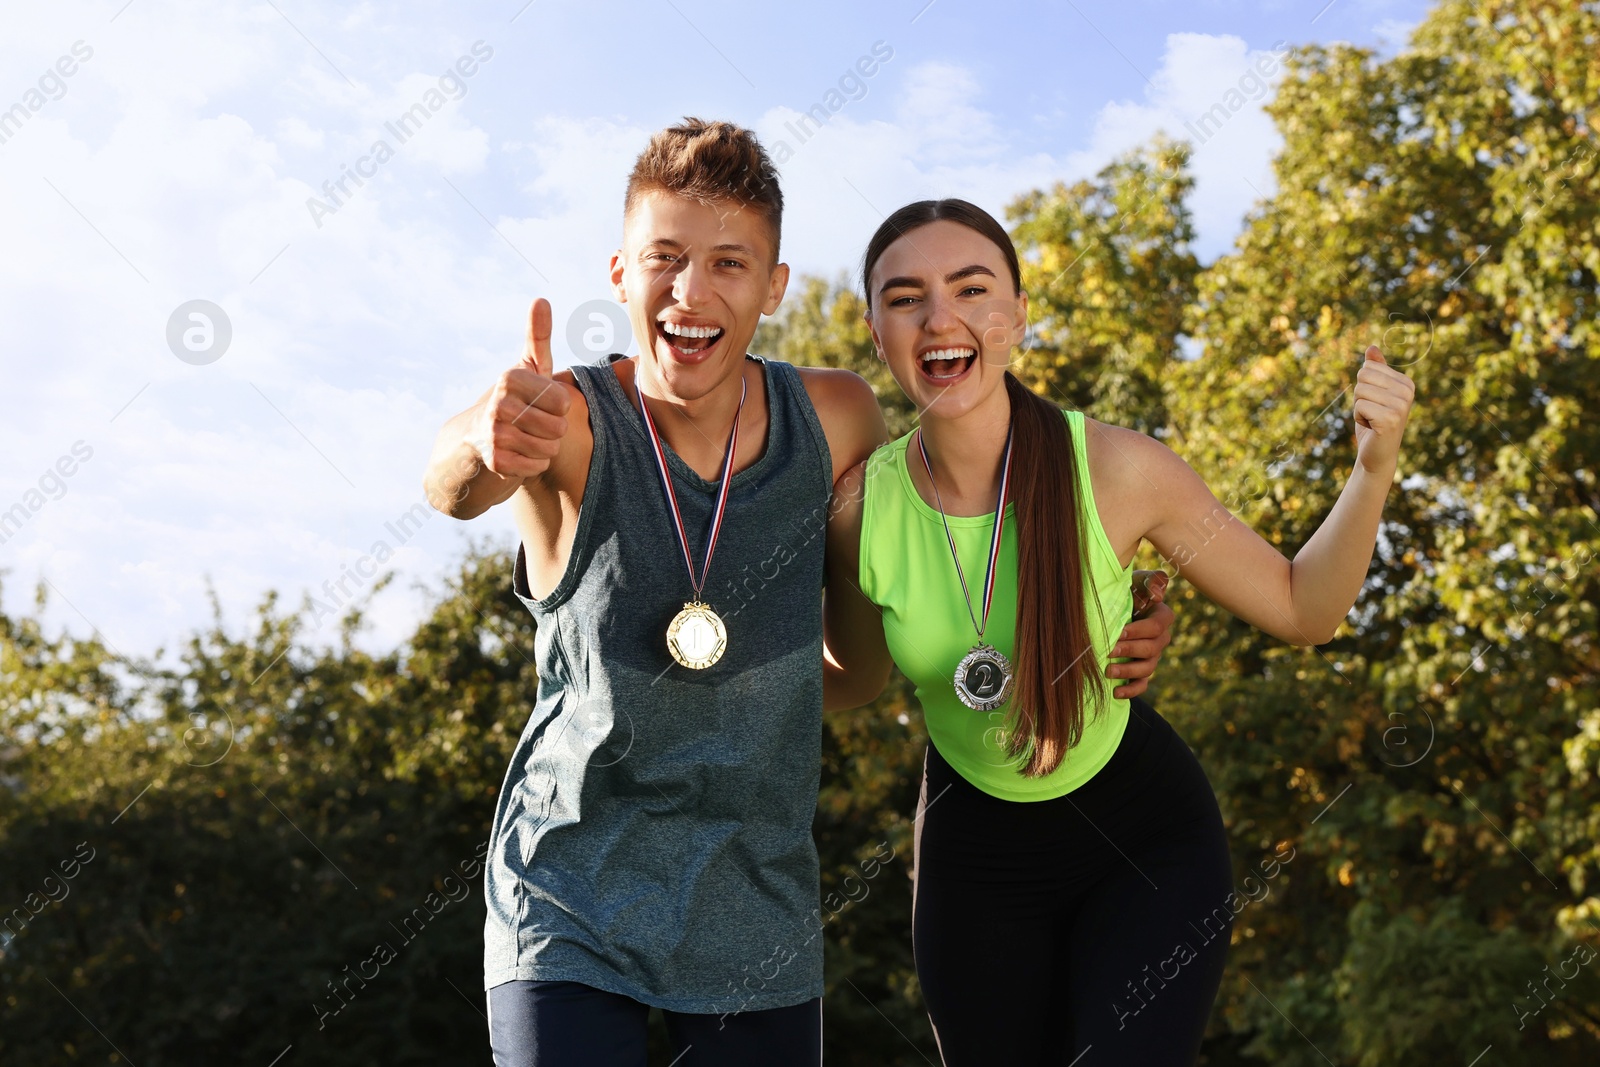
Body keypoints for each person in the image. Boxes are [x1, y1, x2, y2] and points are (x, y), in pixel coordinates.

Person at [422, 120, 1178, 1067]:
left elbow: (943, 547)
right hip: (569, 892)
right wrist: (484, 441)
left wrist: (1125, 596)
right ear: (619, 272)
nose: (692, 293)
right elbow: (453, 481)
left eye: (729, 263)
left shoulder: (836, 417)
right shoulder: (567, 421)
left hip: (758, 906)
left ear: (774, 288)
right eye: (666, 257)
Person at [821, 198, 1416, 1066]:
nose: (941, 318)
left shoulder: (1118, 470)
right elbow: (858, 676)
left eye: (972, 288)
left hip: (1143, 841)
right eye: (906, 297)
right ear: (877, 332)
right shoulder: (857, 511)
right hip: (972, 863)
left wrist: (1372, 470)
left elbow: (1302, 606)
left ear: (1019, 315)